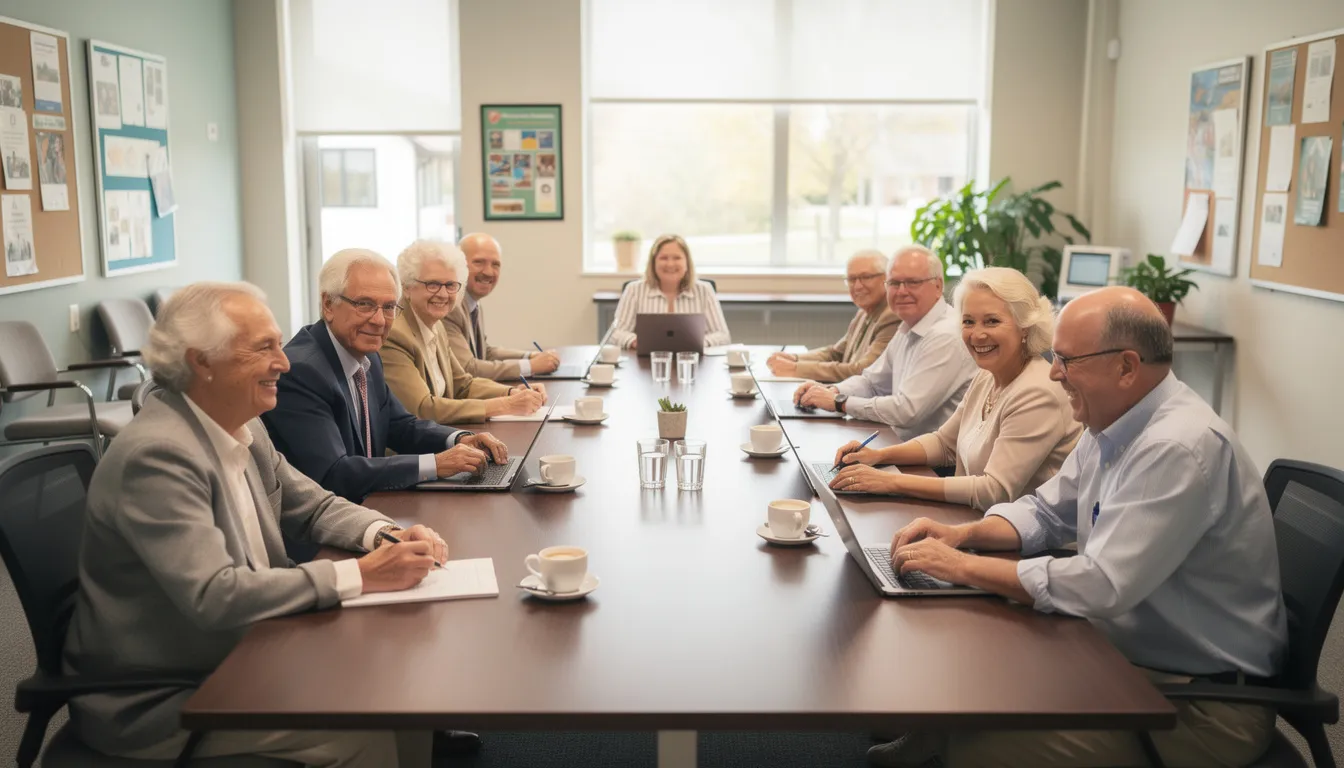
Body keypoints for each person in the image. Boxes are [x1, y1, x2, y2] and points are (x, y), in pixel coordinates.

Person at [867, 287, 1287, 768]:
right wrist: (964, 535)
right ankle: (927, 741)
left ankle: (943, 744)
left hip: (1201, 707)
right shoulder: (1113, 423)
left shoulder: (1176, 447)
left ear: (1127, 367)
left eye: (1067, 359)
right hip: (1130, 663)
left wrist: (963, 567)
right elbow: (1048, 512)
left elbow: (1102, 585)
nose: (1053, 372)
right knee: (970, 675)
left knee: (978, 745)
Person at [63, 282, 443, 767]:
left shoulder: (240, 421)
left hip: (253, 650)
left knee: (402, 696)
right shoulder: (158, 457)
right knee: (363, 733)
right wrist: (364, 575)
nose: (284, 361)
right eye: (264, 348)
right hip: (172, 697)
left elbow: (314, 506)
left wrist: (385, 533)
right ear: (202, 362)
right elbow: (216, 594)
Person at [262, 248, 508, 504]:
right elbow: (334, 473)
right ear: (328, 304)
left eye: (389, 307)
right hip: (325, 530)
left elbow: (399, 425)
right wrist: (435, 464)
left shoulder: (367, 355)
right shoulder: (301, 371)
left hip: (370, 505)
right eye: (365, 304)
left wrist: (459, 438)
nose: (379, 320)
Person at [829, 267, 1081, 511]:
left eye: (992, 321)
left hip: (1025, 545)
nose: (977, 334)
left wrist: (890, 482)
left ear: (1025, 326)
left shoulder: (1037, 392)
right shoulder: (986, 376)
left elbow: (994, 491)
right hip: (976, 523)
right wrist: (878, 456)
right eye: (968, 321)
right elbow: (944, 444)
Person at [793, 246, 976, 440]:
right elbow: (871, 382)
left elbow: (906, 411)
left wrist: (839, 402)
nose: (902, 291)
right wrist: (831, 391)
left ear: (938, 286)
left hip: (932, 465)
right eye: (895, 283)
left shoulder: (945, 335)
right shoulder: (909, 326)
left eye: (913, 282)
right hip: (899, 445)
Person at [383, 239, 547, 423]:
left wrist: (513, 392)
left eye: (451, 285)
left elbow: (463, 384)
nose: (443, 294)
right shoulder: (394, 333)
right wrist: (506, 405)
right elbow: (422, 409)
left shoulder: (435, 324)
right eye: (433, 284)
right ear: (406, 287)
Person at [765, 249, 899, 382]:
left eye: (866, 277)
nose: (857, 286)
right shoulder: (863, 312)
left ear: (887, 278)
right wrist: (795, 359)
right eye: (852, 279)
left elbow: (863, 371)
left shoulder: (892, 316)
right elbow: (836, 353)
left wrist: (796, 369)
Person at [441, 232, 560, 380]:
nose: (488, 271)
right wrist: (531, 366)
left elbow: (486, 353)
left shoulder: (472, 303)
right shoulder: (450, 307)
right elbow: (468, 368)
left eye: (495, 264)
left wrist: (530, 356)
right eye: (479, 262)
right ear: (458, 265)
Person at [605, 234, 731, 350]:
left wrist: (700, 342)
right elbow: (615, 333)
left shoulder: (704, 290)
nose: (670, 264)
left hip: (692, 363)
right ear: (653, 263)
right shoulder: (634, 290)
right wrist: (635, 341)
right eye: (663, 258)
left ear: (687, 263)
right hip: (647, 365)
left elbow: (723, 336)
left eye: (677, 258)